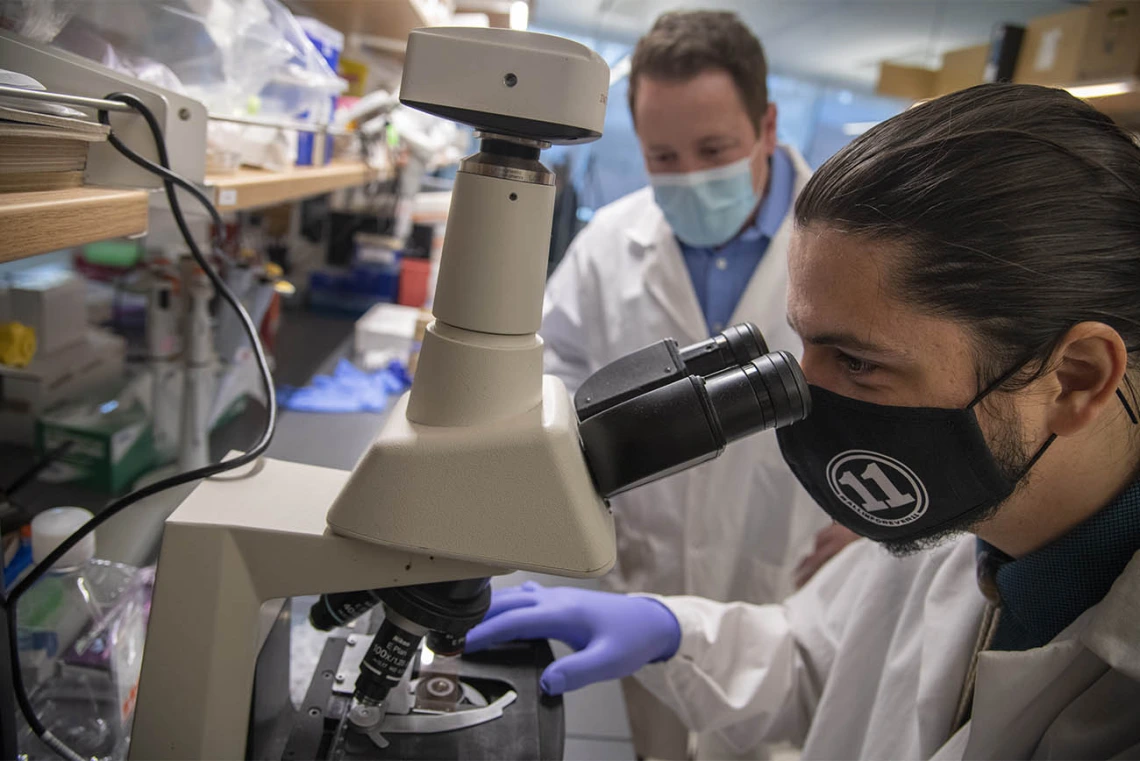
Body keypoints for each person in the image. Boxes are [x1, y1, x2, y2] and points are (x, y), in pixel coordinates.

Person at [469, 83, 1140, 759]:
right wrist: (669, 628)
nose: (805, 394)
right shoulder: (968, 518)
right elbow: (817, 658)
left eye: (856, 360)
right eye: (803, 345)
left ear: (1077, 377)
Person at [541, 12, 850, 757]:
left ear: (768, 124)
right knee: (660, 743)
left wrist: (871, 523)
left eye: (714, 150)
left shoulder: (851, 246)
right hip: (648, 578)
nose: (688, 177)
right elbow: (553, 377)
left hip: (795, 580)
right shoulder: (608, 244)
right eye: (662, 156)